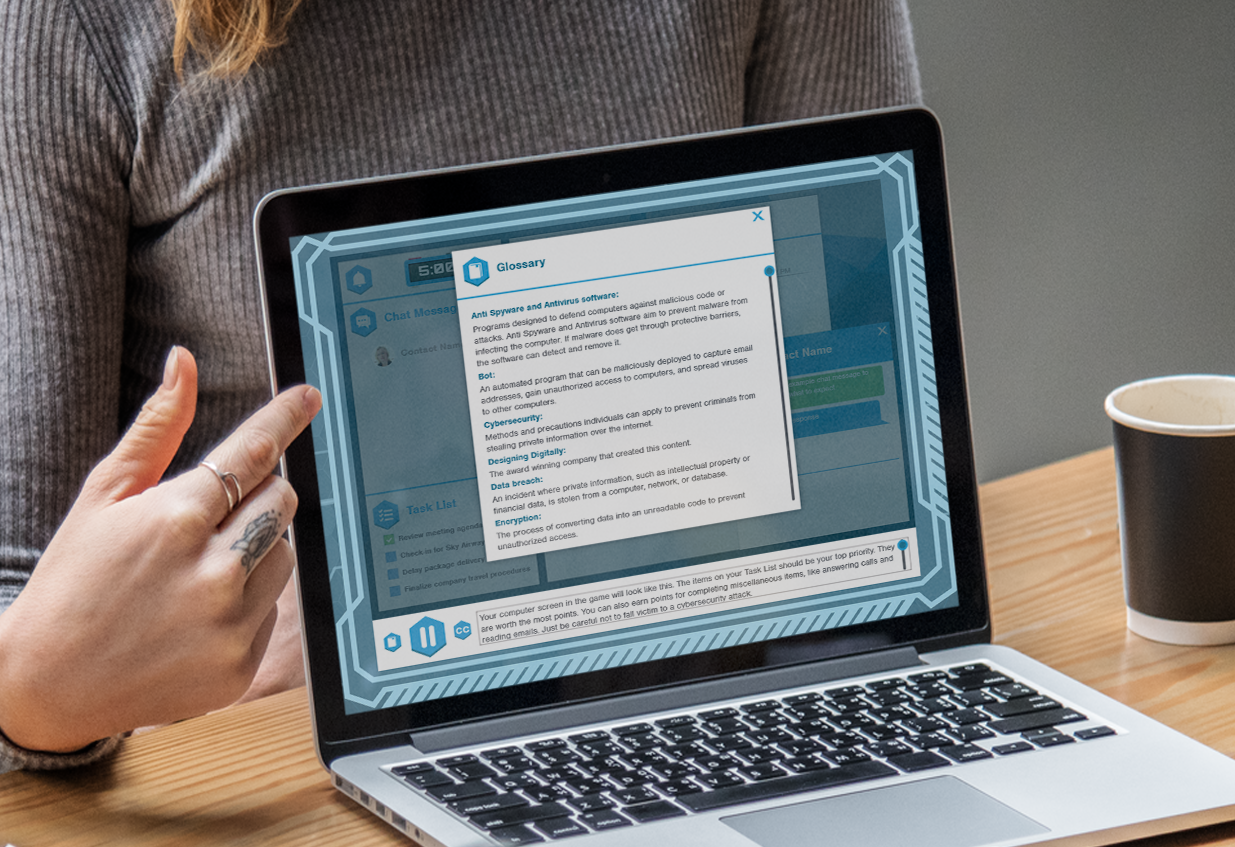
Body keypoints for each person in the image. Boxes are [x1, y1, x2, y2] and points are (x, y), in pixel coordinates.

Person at [0, 0, 922, 769]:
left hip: (729, 720)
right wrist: (37, 699)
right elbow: (23, 597)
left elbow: (870, 439)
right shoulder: (71, 26)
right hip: (294, 789)